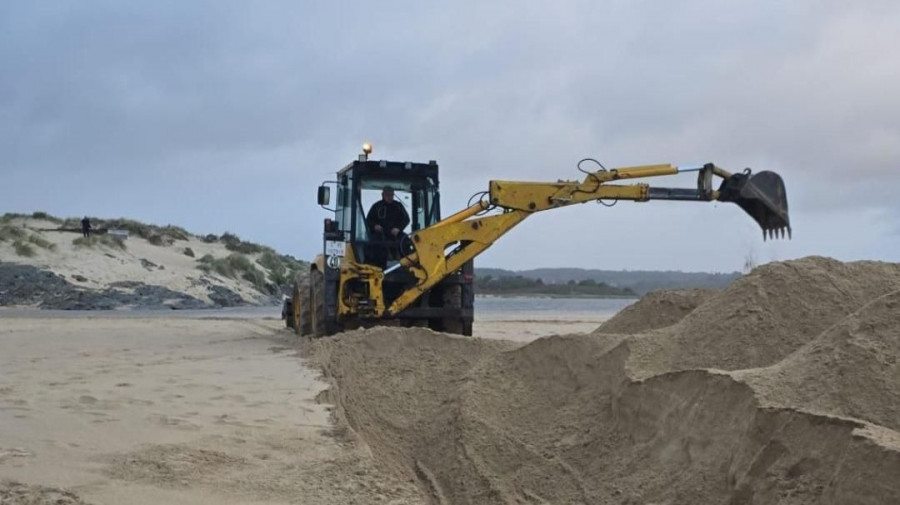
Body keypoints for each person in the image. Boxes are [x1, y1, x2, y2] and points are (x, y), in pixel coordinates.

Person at [365, 186, 410, 267]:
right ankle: (377, 266)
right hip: (380, 233)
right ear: (383, 195)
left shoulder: (398, 206)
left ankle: (407, 264)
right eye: (387, 195)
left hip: (395, 233)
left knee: (406, 240)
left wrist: (398, 228)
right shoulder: (377, 206)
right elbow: (368, 220)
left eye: (391, 195)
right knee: (374, 242)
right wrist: (375, 226)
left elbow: (406, 219)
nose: (389, 197)